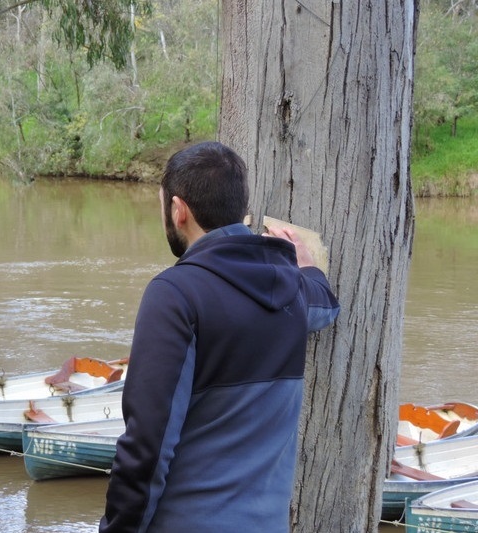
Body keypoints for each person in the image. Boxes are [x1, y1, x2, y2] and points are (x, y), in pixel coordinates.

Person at [99, 141, 340, 532]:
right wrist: (309, 269)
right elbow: (326, 306)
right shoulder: (293, 290)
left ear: (179, 211)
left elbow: (148, 446)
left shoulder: (175, 295)